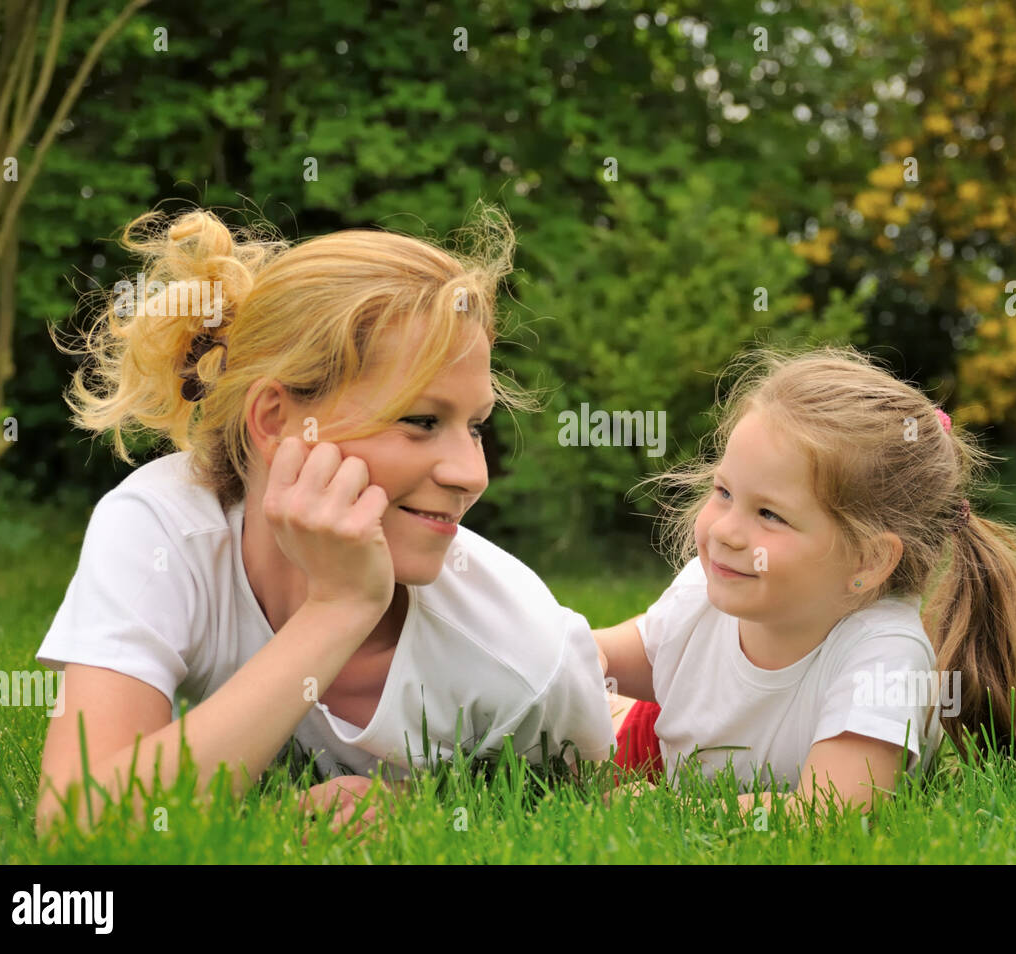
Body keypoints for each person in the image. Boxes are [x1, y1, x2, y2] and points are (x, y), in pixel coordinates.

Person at [35, 206, 614, 834]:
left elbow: (594, 815)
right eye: (421, 420)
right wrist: (338, 606)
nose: (472, 474)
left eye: (475, 427)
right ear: (275, 420)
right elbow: (77, 823)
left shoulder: (527, 656)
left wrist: (429, 812)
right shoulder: (161, 528)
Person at [595, 346, 1016, 816]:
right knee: (555, 717)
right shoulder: (704, 592)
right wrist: (583, 654)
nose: (723, 531)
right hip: (650, 730)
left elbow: (829, 809)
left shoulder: (884, 656)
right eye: (723, 492)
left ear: (869, 560)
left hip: (664, 765)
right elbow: (616, 657)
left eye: (769, 514)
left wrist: (666, 810)